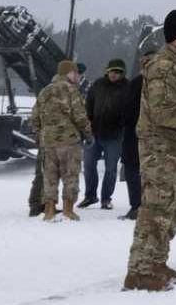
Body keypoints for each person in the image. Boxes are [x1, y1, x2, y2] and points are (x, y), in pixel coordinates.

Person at [123, 9, 176, 291]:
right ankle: (140, 270)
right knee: (157, 207)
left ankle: (157, 261)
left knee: (173, 204)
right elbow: (163, 112)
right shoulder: (163, 67)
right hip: (160, 148)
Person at [31, 58, 92, 221]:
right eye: (76, 74)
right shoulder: (72, 90)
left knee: (49, 177)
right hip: (69, 142)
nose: (78, 77)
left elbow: (34, 118)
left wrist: (40, 135)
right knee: (70, 175)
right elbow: (80, 116)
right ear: (70, 73)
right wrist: (88, 134)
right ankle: (68, 210)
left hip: (48, 142)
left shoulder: (45, 91)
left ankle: (49, 211)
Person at [81, 58, 130, 210]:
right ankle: (90, 196)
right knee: (88, 165)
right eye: (112, 71)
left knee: (110, 169)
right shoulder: (97, 85)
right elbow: (89, 104)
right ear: (107, 71)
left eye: (118, 72)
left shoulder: (128, 87)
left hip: (114, 136)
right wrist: (87, 124)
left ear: (122, 73)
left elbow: (131, 110)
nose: (114, 74)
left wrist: (122, 125)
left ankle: (106, 198)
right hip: (94, 133)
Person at [119, 56, 144, 220]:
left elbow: (125, 111)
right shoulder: (167, 83)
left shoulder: (134, 84)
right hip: (151, 137)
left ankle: (137, 206)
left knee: (133, 171)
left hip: (134, 134)